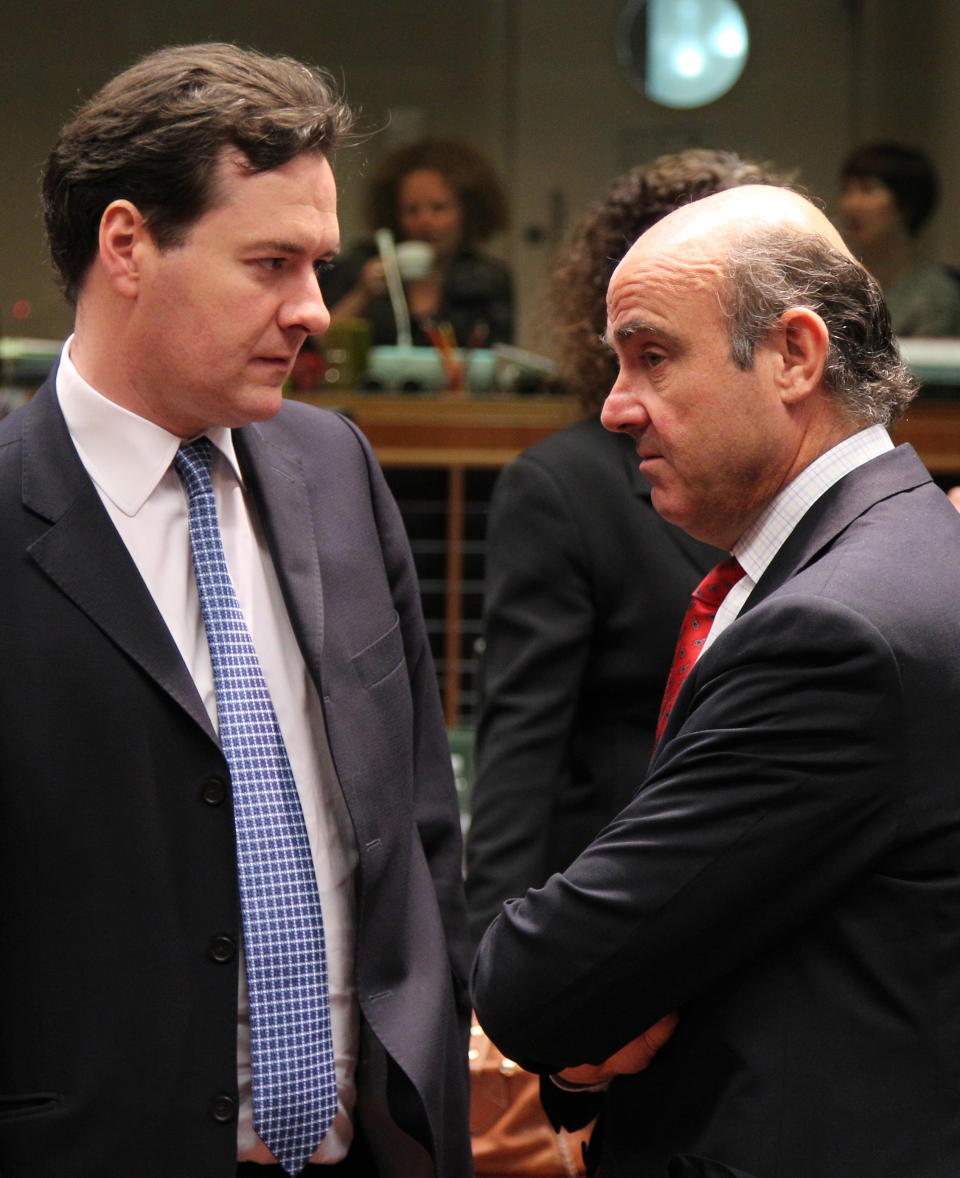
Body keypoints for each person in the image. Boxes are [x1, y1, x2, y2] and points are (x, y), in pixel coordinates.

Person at [0, 43, 472, 1178]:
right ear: (127, 246)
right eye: (270, 262)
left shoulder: (335, 467)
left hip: (373, 1148)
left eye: (318, 263)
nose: (313, 308)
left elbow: (415, 821)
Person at [472, 184, 960, 1178]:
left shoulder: (833, 632)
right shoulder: (912, 545)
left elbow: (535, 983)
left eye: (652, 356)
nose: (615, 405)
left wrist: (593, 1010)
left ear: (794, 354)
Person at [465, 149, 794, 947]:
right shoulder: (563, 488)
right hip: (609, 928)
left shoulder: (816, 484)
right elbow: (520, 755)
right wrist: (484, 979)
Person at [321, 138, 513, 347]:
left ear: (468, 213)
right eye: (412, 210)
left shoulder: (488, 278)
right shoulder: (363, 263)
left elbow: (500, 356)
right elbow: (324, 342)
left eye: (439, 208)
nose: (425, 221)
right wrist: (363, 294)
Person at [838, 139, 960, 337]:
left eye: (867, 189)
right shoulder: (838, 285)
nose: (850, 205)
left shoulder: (936, 294)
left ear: (907, 204)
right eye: (846, 190)